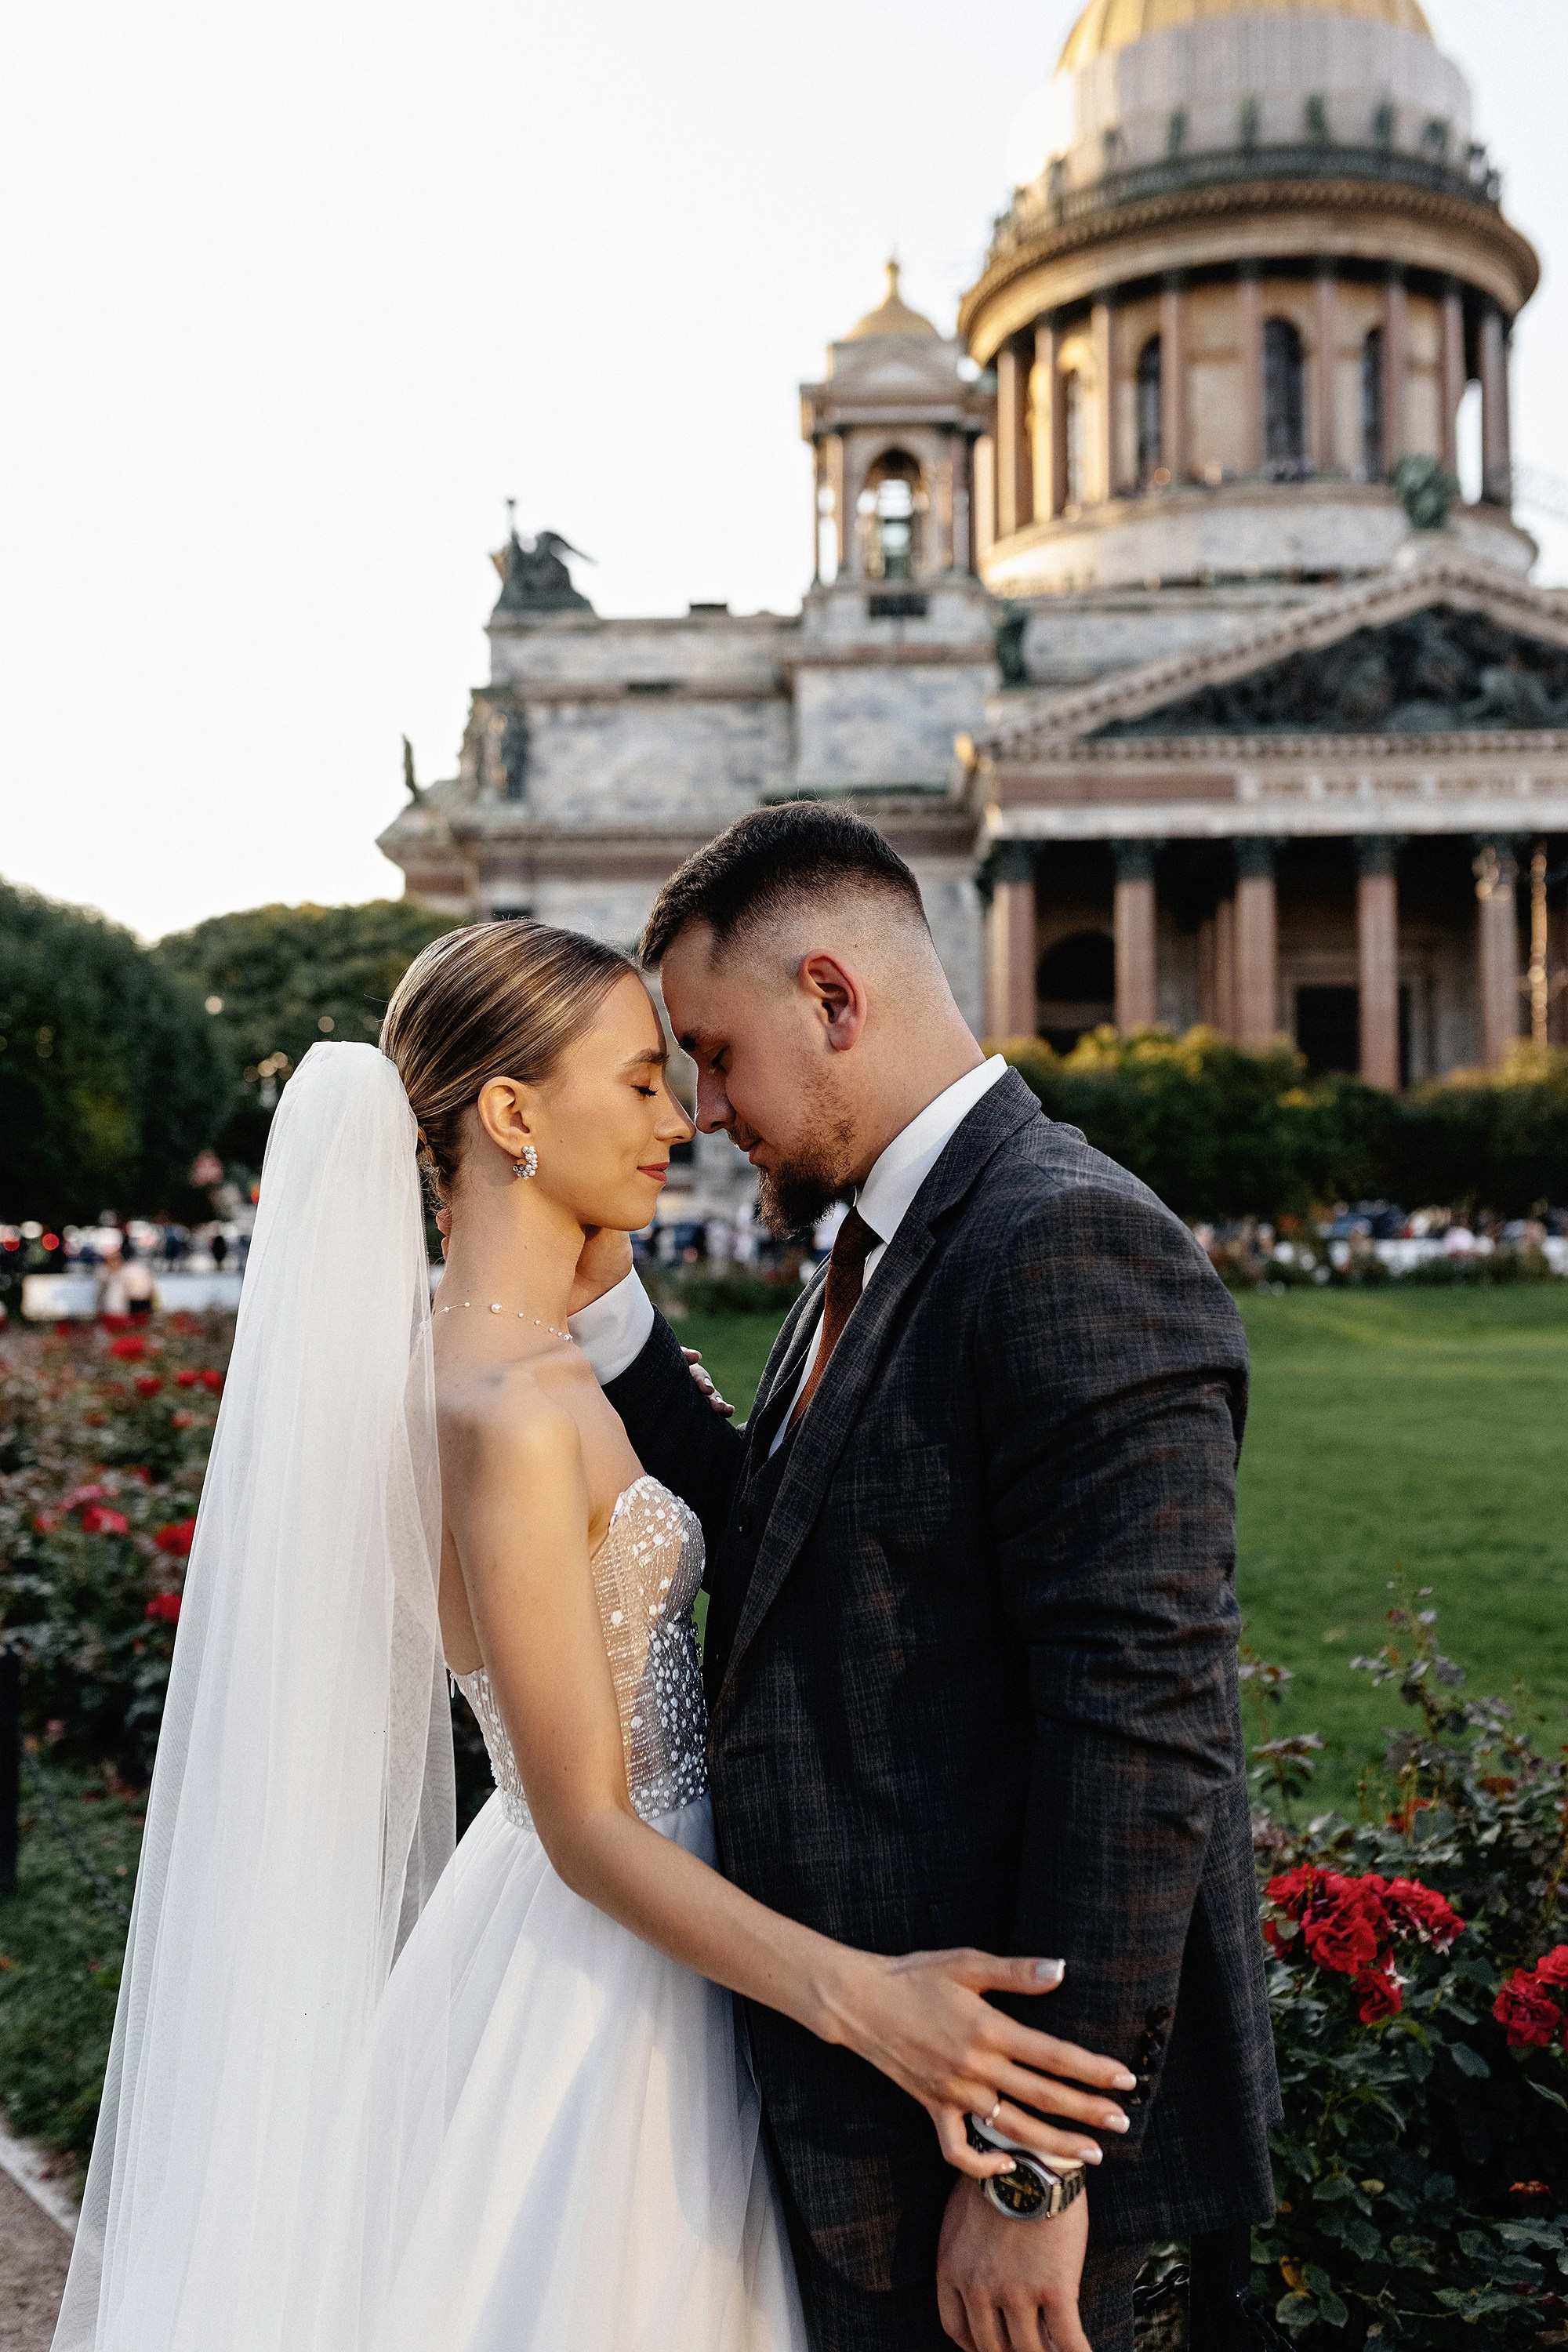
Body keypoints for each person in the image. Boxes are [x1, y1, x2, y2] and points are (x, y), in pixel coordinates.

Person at [53, 920, 1131, 2352]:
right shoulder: (500, 1410)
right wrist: (869, 2004)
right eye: (637, 1083)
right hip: (612, 1961)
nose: (679, 1119)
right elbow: (579, 1822)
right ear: (511, 1116)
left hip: (654, 1928)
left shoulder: (524, 1365)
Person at [568, 804, 1279, 2352]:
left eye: (714, 1051)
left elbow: (1139, 1733)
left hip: (991, 2143)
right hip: (880, 2104)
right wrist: (607, 1318)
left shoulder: (1065, 1244)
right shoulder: (877, 1242)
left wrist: (1031, 2169)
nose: (699, 1109)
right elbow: (778, 1541)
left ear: (833, 998)